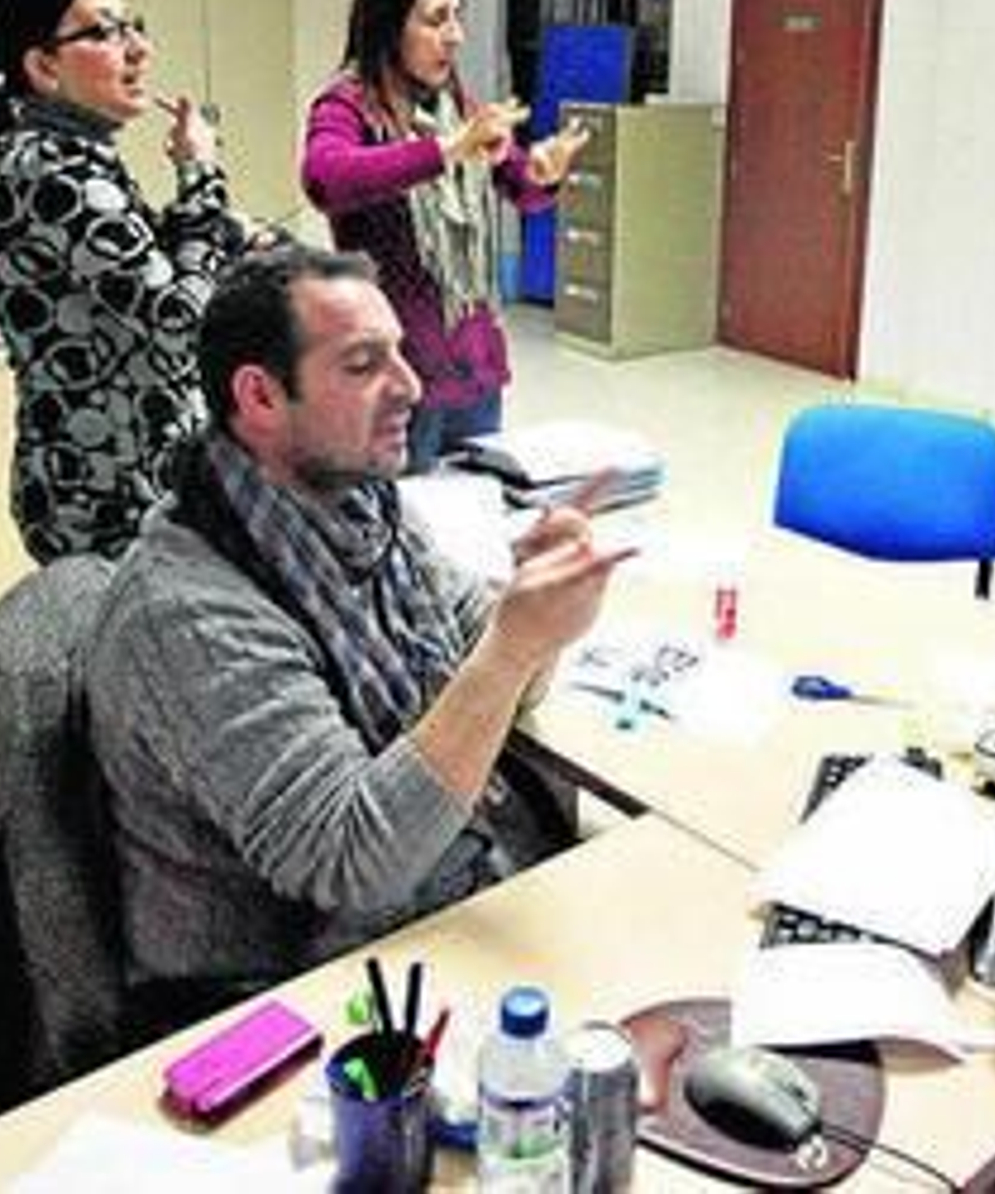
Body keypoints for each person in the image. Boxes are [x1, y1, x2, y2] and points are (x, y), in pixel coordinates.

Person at [86, 244, 628, 1029]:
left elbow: (487, 677)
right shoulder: (183, 613)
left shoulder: (361, 505)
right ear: (260, 396)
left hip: (434, 899)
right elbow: (354, 860)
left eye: (400, 352)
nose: (411, 385)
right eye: (364, 364)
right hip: (288, 992)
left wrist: (535, 611)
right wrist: (514, 644)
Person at [0, 0, 246, 563]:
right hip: (105, 500)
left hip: (128, 483)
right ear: (43, 67)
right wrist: (201, 175)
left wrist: (219, 229)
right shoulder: (51, 171)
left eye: (133, 26)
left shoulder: (72, 158)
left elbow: (139, 278)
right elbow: (178, 320)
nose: (139, 49)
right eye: (106, 32)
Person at [301, 0, 589, 473]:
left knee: (473, 508)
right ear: (389, 26)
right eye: (436, 20)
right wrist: (447, 150)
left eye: (457, 17)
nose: (454, 36)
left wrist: (542, 173)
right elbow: (325, 178)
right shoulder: (348, 105)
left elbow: (518, 185)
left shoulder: (456, 107)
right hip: (397, 374)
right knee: (405, 513)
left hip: (474, 369)